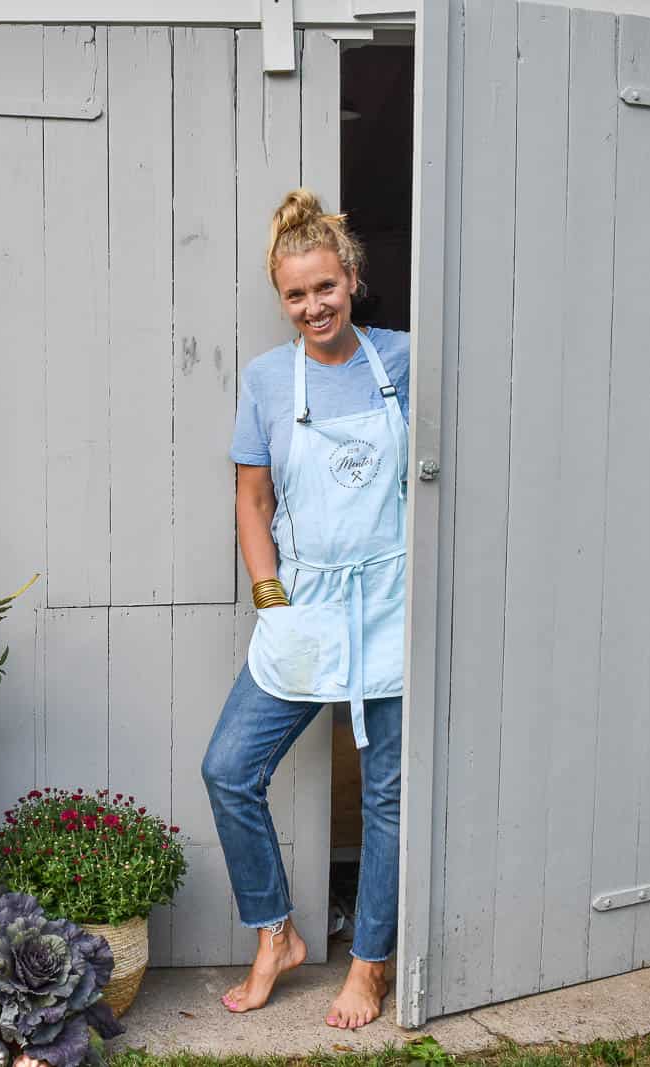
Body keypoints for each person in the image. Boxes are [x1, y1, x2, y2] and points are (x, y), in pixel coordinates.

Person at [201, 189, 409, 1030]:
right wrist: (271, 597)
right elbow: (251, 500)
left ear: (352, 279)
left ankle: (369, 963)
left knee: (388, 795)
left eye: (326, 287)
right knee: (228, 768)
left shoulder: (401, 359)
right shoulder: (266, 378)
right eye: (297, 295)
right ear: (281, 300)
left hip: (392, 599)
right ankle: (276, 933)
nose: (314, 306)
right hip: (308, 600)